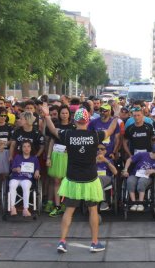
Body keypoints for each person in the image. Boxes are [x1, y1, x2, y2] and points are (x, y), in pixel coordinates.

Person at [41, 105, 118, 253]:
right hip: (90, 179)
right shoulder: (95, 135)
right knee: (93, 211)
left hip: (72, 178)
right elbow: (110, 130)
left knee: (69, 211)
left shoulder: (68, 134)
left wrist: (47, 116)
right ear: (88, 121)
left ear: (75, 121)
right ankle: (94, 243)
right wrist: (116, 116)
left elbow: (52, 130)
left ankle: (62, 242)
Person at [46, 105, 76, 217]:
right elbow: (51, 142)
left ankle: (66, 204)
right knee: (56, 181)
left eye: (66, 113)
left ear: (69, 114)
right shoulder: (56, 126)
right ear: (59, 114)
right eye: (62, 113)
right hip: (56, 155)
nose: (64, 115)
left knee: (67, 181)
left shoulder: (73, 126)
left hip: (68, 156)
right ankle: (57, 205)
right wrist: (48, 157)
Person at [121, 144, 155, 211]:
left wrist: (154, 171)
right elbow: (129, 160)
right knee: (130, 181)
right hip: (135, 174)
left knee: (142, 181)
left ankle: (140, 203)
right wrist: (125, 170)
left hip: (147, 177)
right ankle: (134, 203)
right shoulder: (142, 154)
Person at [9, 140, 40, 217]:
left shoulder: (34, 158)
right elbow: (12, 169)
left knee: (26, 186)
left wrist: (37, 172)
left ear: (31, 148)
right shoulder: (17, 157)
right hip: (16, 177)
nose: (26, 148)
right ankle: (12, 207)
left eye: (28, 146)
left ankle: (25, 209)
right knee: (12, 185)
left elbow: (37, 169)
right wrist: (16, 169)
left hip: (27, 178)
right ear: (21, 148)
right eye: (24, 146)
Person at [96, 143, 117, 211]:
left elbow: (115, 172)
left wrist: (105, 161)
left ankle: (103, 201)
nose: (99, 150)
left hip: (106, 178)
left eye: (102, 149)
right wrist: (95, 161)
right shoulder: (91, 160)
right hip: (94, 178)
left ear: (105, 151)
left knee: (99, 179)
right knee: (97, 179)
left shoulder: (109, 160)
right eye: (98, 149)